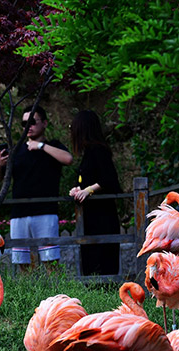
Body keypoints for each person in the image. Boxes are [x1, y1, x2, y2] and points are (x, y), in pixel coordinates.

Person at [0, 106, 73, 272]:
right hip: (19, 214)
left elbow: (68, 159)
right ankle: (29, 297)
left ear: (44, 123)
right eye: (24, 123)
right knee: (23, 265)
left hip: (46, 211)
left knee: (51, 263)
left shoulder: (52, 146)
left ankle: (56, 296)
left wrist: (41, 146)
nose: (28, 126)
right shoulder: (15, 150)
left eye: (32, 122)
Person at [68, 109, 122, 276]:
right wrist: (78, 189)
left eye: (73, 126)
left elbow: (110, 179)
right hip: (91, 218)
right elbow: (89, 179)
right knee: (90, 262)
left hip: (103, 217)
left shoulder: (98, 150)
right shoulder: (88, 153)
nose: (71, 130)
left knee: (103, 262)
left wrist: (89, 190)